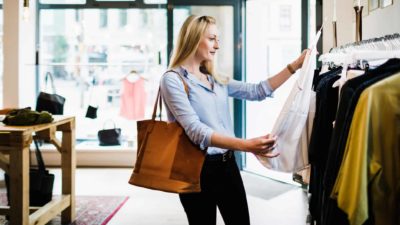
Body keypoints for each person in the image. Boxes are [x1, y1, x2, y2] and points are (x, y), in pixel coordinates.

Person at [160, 15, 308, 225]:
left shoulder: (215, 78)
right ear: (193, 39)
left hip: (227, 165)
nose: (217, 45)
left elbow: (258, 90)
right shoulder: (172, 80)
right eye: (212, 39)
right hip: (195, 170)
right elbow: (196, 131)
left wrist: (295, 66)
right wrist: (246, 145)